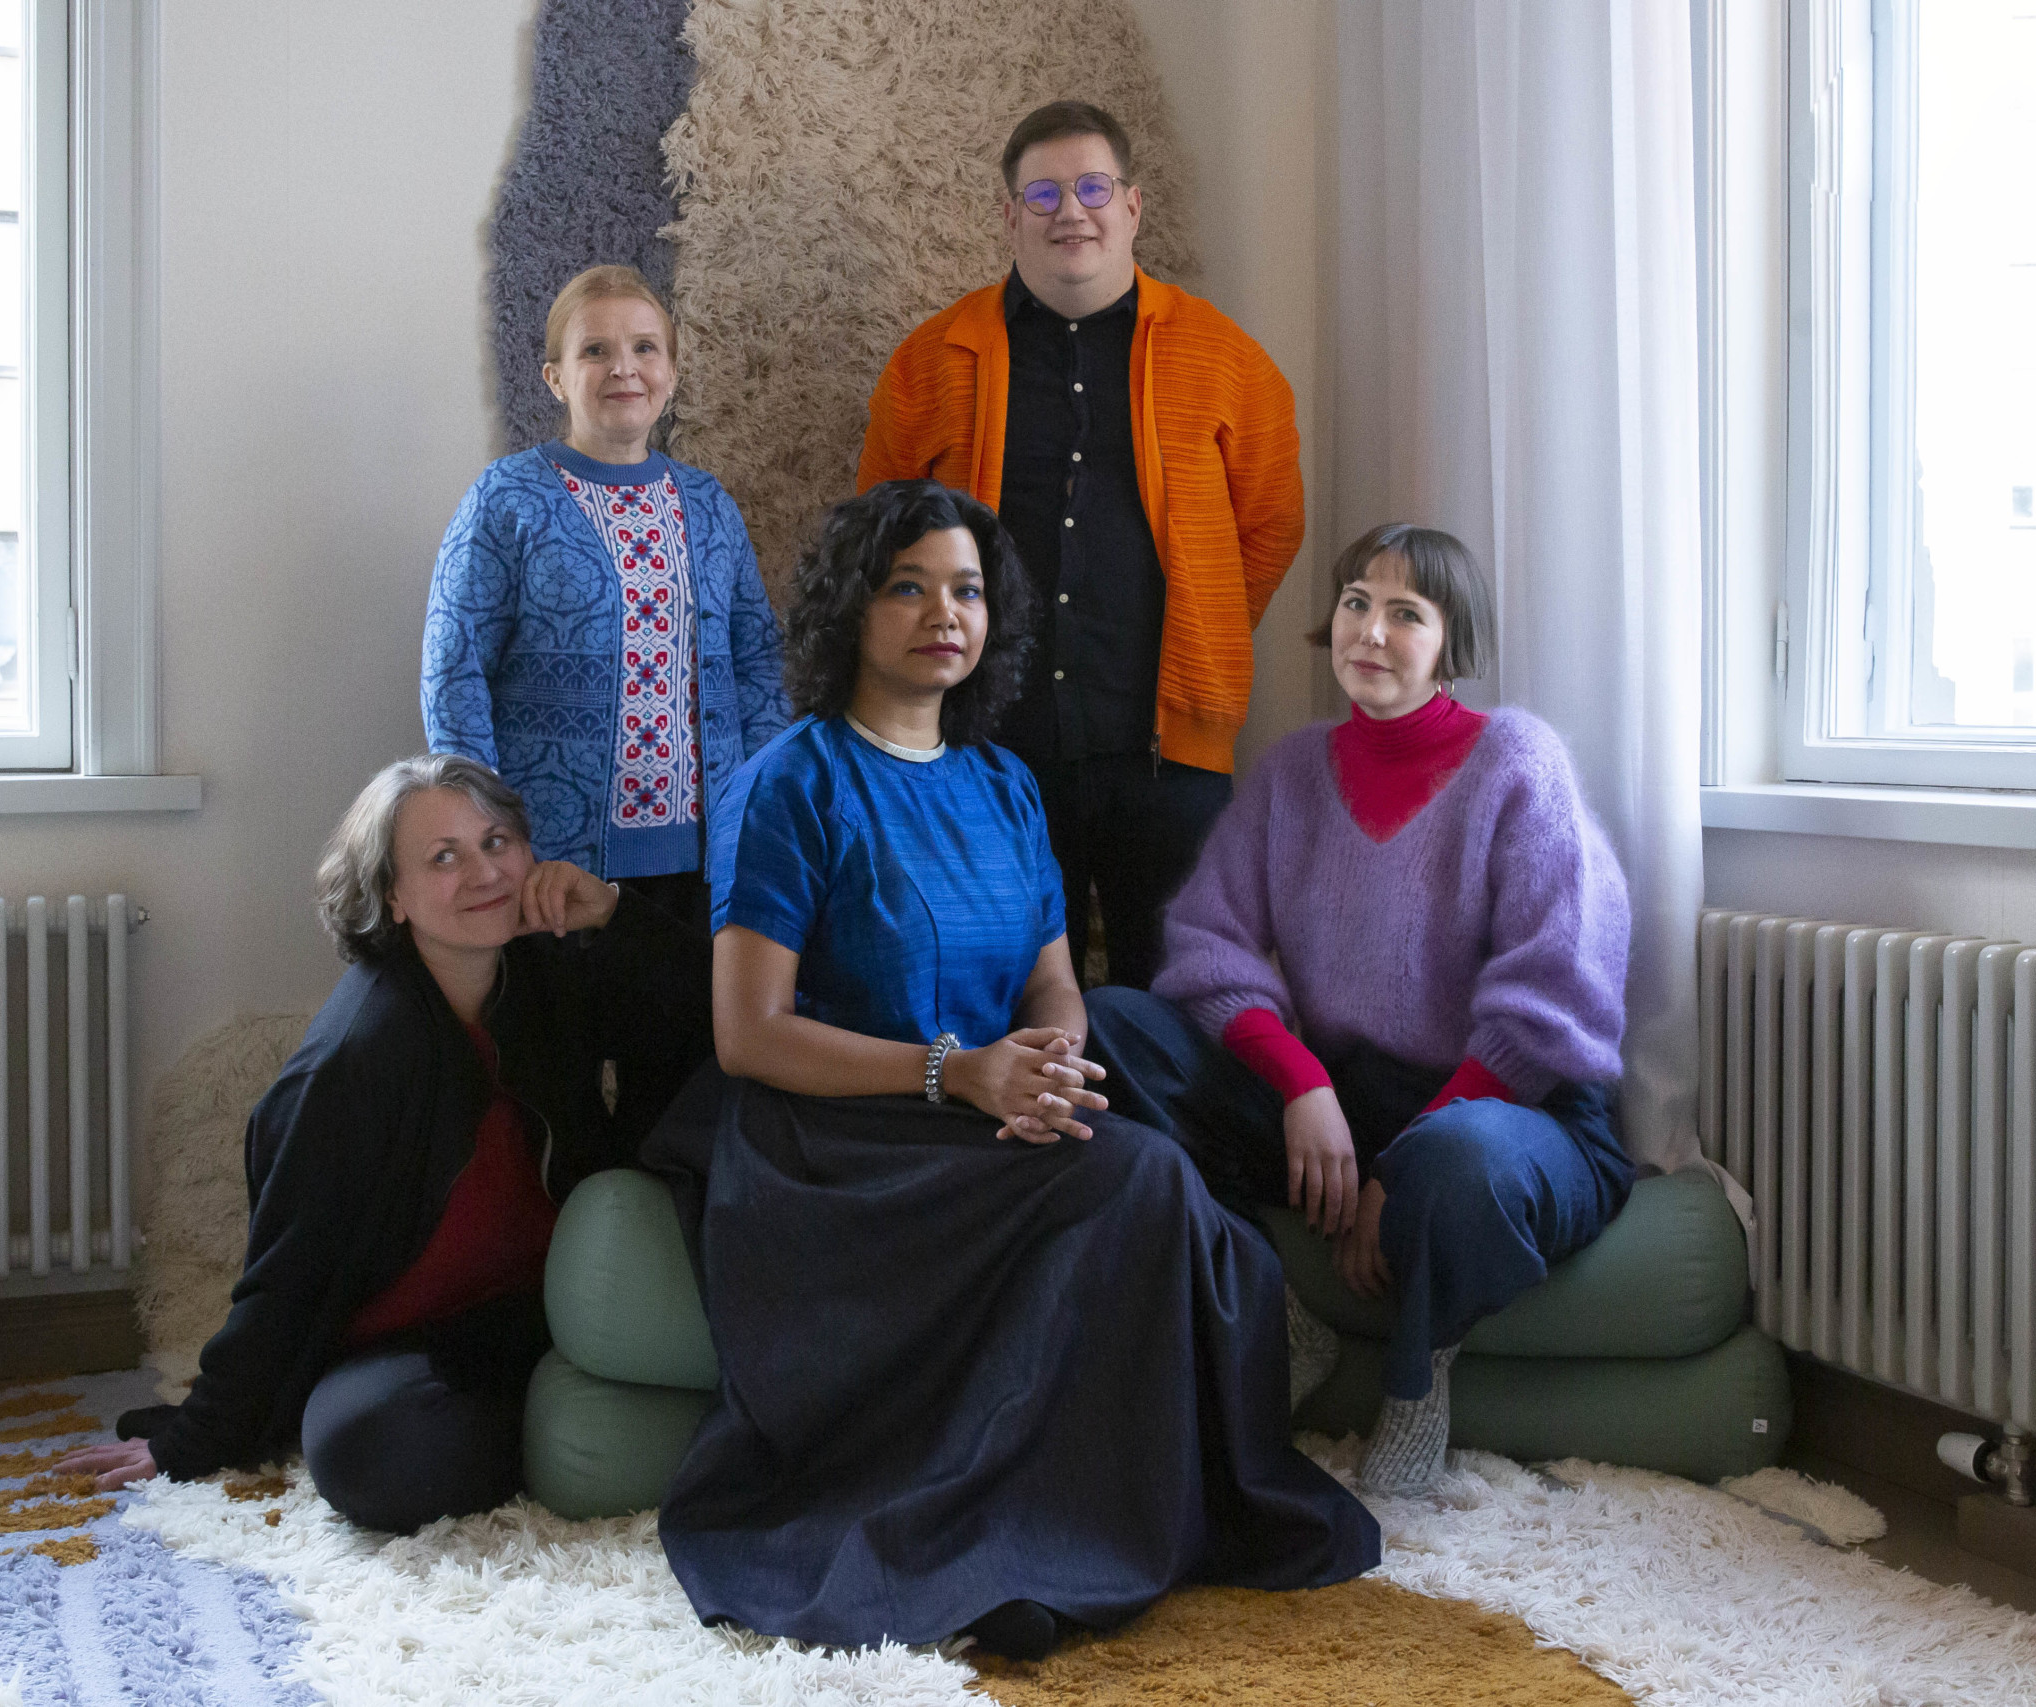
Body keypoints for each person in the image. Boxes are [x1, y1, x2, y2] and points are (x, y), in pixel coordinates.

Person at [639, 480, 1378, 1660]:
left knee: (1135, 1108)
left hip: (981, 1104)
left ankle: (1141, 1458)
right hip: (839, 1145)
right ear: (851, 609)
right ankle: (1071, 1503)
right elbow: (751, 1037)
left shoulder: (1002, 783)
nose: (945, 612)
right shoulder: (787, 783)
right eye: (908, 586)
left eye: (969, 591)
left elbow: (1053, 981)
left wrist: (1053, 1060)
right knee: (1136, 1179)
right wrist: (961, 1075)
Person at [1110, 524, 1635, 1496]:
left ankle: (1419, 1370)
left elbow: (1554, 985)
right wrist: (1302, 1081)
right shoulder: (1293, 772)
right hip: (1349, 1100)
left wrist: (1403, 1161)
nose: (1372, 631)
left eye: (1406, 613)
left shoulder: (1517, 762)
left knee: (1456, 1156)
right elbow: (1206, 944)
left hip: (1515, 1116)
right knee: (1111, 1029)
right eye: (1356, 602)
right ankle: (1281, 1316)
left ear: (1450, 641)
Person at [60, 755, 627, 1531]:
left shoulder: (549, 975)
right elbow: (286, 1274)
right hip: (413, 1351)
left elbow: (694, 1017)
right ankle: (552, 1434)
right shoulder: (358, 1055)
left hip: (548, 1321)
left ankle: (560, 1427)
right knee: (368, 1452)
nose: (485, 871)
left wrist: (615, 916)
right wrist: (197, 1438)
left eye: (497, 841)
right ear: (392, 896)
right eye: (444, 856)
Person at [857, 100, 1303, 989]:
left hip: (1167, 758)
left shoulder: (1227, 362)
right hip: (984, 748)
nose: (1072, 210)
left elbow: (1269, 528)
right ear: (1009, 213)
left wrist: (1201, 629)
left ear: (1132, 206)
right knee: (998, 991)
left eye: (1094, 186)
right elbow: (879, 541)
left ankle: (1168, 1140)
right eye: (1046, 191)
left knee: (1181, 998)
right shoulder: (929, 362)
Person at [424, 264, 791, 1155]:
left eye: (644, 347)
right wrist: (495, 844)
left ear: (671, 367)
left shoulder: (708, 507)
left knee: (678, 1106)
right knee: (556, 1109)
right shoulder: (507, 500)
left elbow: (756, 662)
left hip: (696, 877)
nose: (623, 367)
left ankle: (655, 1280)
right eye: (596, 350)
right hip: (551, 871)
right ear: (556, 376)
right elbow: (455, 671)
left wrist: (762, 821)